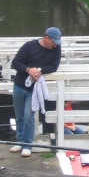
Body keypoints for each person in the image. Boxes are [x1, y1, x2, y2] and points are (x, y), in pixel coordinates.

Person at [10, 27, 62, 157]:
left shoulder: (56, 49)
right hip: (19, 85)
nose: (55, 45)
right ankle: (20, 141)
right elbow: (15, 63)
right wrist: (28, 70)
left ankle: (28, 145)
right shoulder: (29, 46)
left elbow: (54, 66)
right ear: (46, 38)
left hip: (34, 90)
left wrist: (38, 70)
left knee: (29, 116)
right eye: (53, 42)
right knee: (19, 116)